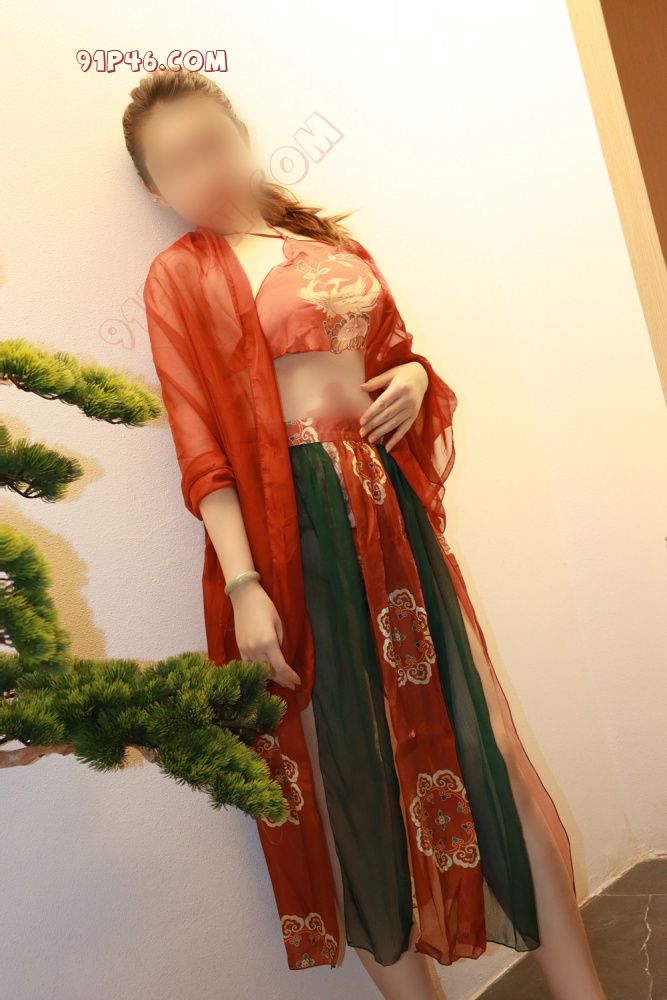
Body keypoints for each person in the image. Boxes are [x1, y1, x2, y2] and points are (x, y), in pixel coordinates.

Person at [124, 69, 607, 1000]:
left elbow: (391, 356)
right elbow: (200, 447)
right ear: (154, 189)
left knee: (493, 755)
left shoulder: (328, 246)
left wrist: (416, 377)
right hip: (293, 535)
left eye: (212, 145)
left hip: (388, 514)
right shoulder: (178, 276)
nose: (203, 171)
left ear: (241, 137)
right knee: (348, 783)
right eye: (176, 163)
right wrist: (243, 584)